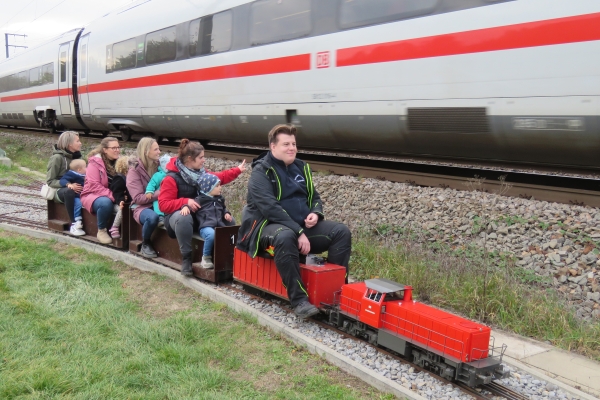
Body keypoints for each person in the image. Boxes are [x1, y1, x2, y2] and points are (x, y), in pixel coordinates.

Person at [236, 124, 352, 319]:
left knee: (341, 232)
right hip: (266, 228)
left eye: (294, 144)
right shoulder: (261, 172)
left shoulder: (301, 167)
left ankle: (333, 291)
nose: (292, 148)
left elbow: (314, 197)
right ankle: (299, 300)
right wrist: (298, 231)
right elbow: (270, 208)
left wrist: (315, 213)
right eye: (286, 144)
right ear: (273, 147)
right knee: (285, 236)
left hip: (301, 228)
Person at [158, 139, 246, 276]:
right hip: (178, 218)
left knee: (230, 221)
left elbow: (219, 177)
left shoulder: (201, 173)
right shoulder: (171, 178)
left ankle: (226, 256)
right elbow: (163, 205)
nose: (204, 160)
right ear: (189, 159)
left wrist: (238, 170)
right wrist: (185, 201)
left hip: (200, 216)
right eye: (201, 157)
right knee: (184, 217)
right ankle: (186, 258)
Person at [126, 137, 162, 258]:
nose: (159, 152)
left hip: (160, 203)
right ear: (146, 152)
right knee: (152, 218)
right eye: (156, 149)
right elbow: (138, 198)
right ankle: (146, 243)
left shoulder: (160, 165)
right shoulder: (134, 171)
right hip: (142, 207)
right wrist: (160, 193)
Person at [80, 137, 120, 244]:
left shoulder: (119, 162)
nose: (117, 150)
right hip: (93, 194)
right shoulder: (94, 163)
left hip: (112, 194)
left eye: (118, 147)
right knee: (105, 203)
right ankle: (101, 230)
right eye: (114, 148)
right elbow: (94, 185)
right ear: (105, 150)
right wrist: (114, 197)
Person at [46, 130, 85, 236]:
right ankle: (74, 224)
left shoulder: (78, 157)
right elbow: (50, 181)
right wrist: (68, 185)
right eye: (77, 141)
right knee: (69, 192)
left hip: (77, 189)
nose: (80, 143)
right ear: (69, 144)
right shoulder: (57, 158)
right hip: (59, 190)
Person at [193, 174, 233, 269]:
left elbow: (223, 208)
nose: (220, 187)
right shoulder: (200, 200)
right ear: (208, 188)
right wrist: (185, 207)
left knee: (230, 234)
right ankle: (206, 257)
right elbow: (190, 206)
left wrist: (226, 213)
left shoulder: (219, 199)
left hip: (219, 225)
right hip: (205, 227)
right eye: (217, 186)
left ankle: (228, 256)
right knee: (211, 235)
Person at [59, 159, 87, 233]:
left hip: (84, 195)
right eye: (85, 167)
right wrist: (69, 184)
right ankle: (77, 220)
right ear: (79, 170)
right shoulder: (71, 174)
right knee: (78, 204)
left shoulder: (85, 175)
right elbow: (63, 180)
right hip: (76, 196)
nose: (87, 168)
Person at [145, 153, 171, 225]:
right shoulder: (159, 175)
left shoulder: (173, 175)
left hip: (170, 195)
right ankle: (160, 217)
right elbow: (152, 183)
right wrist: (149, 191)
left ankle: (168, 217)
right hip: (159, 196)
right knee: (157, 204)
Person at [108, 156, 130, 239]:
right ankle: (115, 227)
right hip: (116, 203)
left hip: (126, 202)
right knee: (122, 210)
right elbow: (116, 192)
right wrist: (121, 200)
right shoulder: (119, 178)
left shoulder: (131, 178)